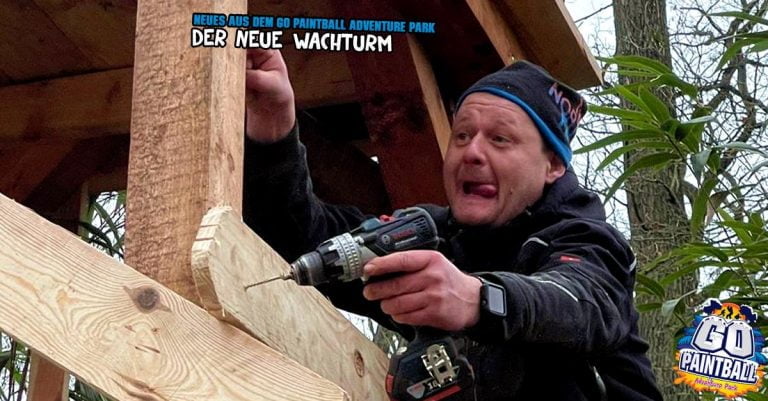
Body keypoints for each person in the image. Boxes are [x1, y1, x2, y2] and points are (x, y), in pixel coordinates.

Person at [242, 48, 663, 401]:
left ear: (553, 165)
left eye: (500, 139)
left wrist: (478, 299)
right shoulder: (432, 237)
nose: (472, 152)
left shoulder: (589, 241)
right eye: (462, 135)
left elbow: (579, 303)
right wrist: (274, 131)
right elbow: (302, 238)